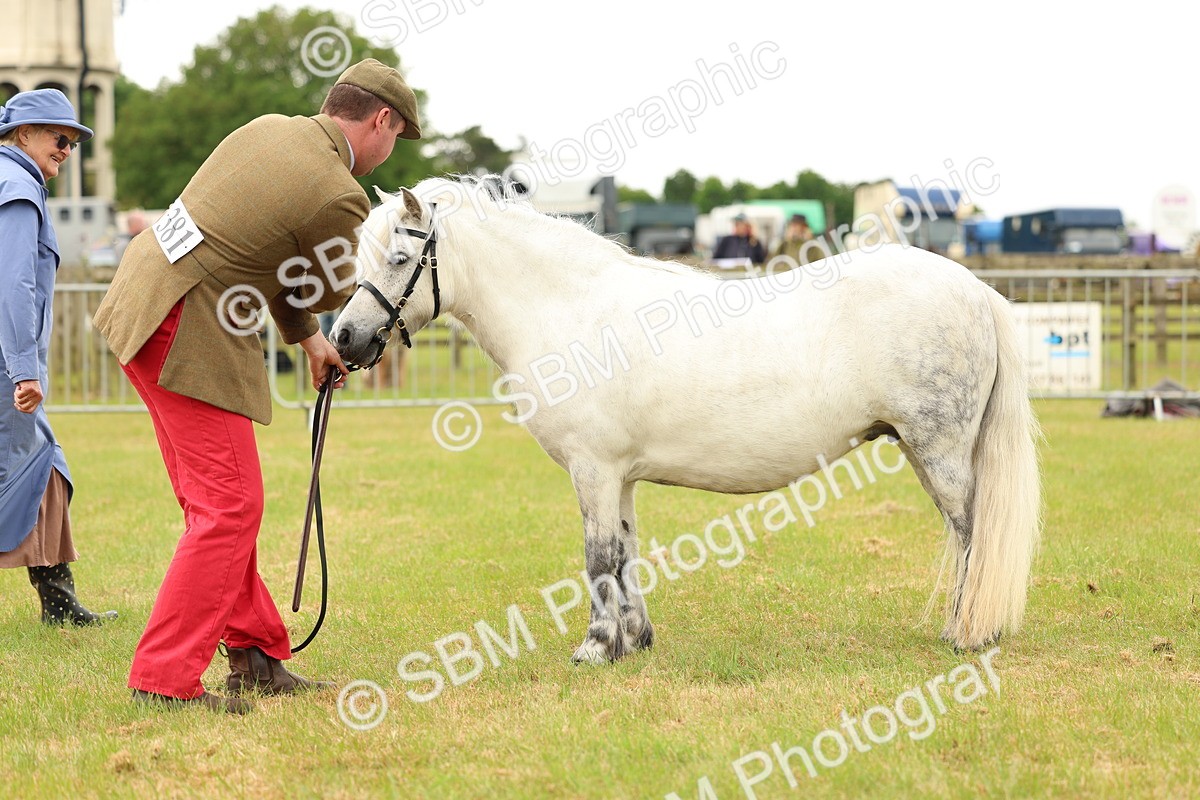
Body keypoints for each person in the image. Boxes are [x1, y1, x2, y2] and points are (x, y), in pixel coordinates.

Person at [93, 58, 422, 714]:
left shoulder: (269, 128)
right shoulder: (339, 193)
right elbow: (320, 289)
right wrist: (322, 317)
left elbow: (256, 253)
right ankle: (163, 679)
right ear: (380, 121)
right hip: (184, 325)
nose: (389, 154)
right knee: (230, 507)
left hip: (142, 296)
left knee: (213, 503)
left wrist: (308, 340)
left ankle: (255, 655)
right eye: (397, 137)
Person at [0, 89, 118, 627]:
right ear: (22, 135)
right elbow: (15, 284)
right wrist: (24, 369)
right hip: (7, 362)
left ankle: (60, 602)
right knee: (34, 465)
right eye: (58, 136)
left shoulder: (17, 181)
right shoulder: (17, 188)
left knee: (44, 466)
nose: (67, 149)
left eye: (72, 141)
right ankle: (60, 604)